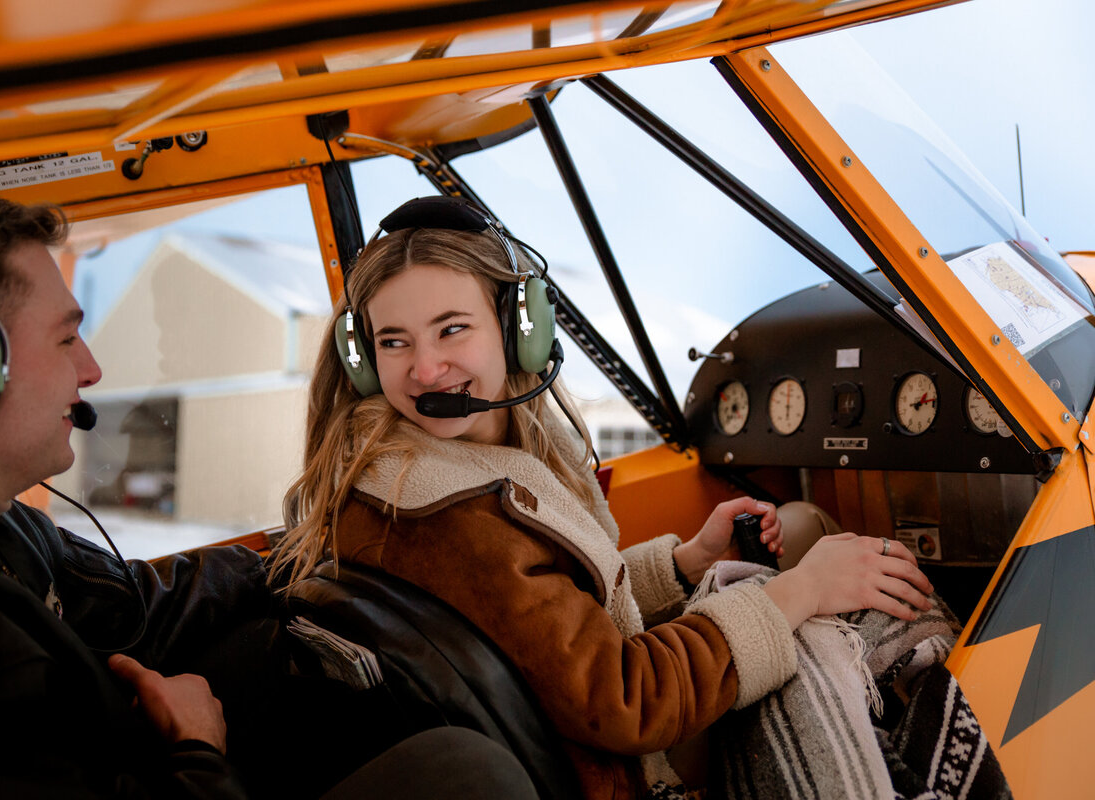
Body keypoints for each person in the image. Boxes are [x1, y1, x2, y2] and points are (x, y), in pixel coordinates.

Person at [271, 196, 936, 800]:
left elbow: (543, 626)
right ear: (362, 359)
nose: (424, 368)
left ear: (517, 330)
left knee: (798, 534)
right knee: (812, 560)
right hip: (629, 772)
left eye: (451, 329)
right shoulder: (449, 514)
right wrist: (801, 594)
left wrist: (681, 567)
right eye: (395, 342)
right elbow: (628, 699)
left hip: (580, 737)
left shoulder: (428, 473)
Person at [0, 178, 538, 800]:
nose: (91, 368)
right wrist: (195, 751)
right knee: (468, 774)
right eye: (65, 337)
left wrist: (299, 555)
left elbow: (133, 607)